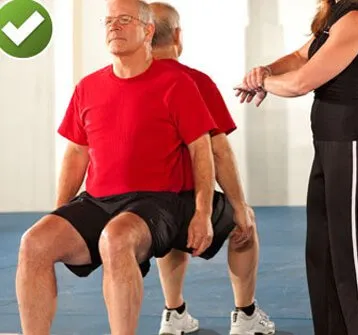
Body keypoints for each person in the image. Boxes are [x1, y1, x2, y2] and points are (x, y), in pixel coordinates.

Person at [14, 1, 219, 334]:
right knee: (33, 242)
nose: (114, 27)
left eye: (125, 20)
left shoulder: (177, 83)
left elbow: (201, 149)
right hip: (98, 200)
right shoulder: (88, 87)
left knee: (116, 238)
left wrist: (203, 212)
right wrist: (60, 212)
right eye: (109, 21)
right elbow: (77, 154)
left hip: (159, 202)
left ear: (148, 30)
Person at [235, 0, 358, 334]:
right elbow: (299, 57)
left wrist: (263, 83)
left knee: (355, 266)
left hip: (356, 149)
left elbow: (301, 81)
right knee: (322, 259)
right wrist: (264, 71)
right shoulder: (335, 14)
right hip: (329, 150)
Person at [147, 3, 275, 335]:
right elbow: (218, 150)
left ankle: (174, 313)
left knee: (173, 234)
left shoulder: (125, 80)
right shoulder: (192, 81)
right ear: (177, 35)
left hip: (144, 204)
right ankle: (246, 316)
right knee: (242, 227)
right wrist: (239, 205)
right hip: (185, 201)